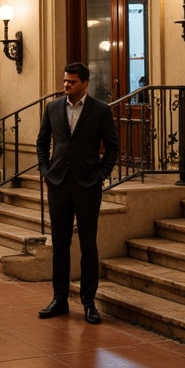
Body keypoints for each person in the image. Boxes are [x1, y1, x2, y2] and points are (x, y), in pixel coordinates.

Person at [35, 62, 119, 325]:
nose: (66, 85)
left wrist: (101, 174)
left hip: (87, 185)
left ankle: (88, 302)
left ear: (85, 83)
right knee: (59, 244)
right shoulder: (52, 107)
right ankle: (59, 299)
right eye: (64, 81)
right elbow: (42, 141)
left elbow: (113, 147)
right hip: (58, 183)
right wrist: (46, 171)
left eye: (71, 82)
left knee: (88, 245)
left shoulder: (101, 110)